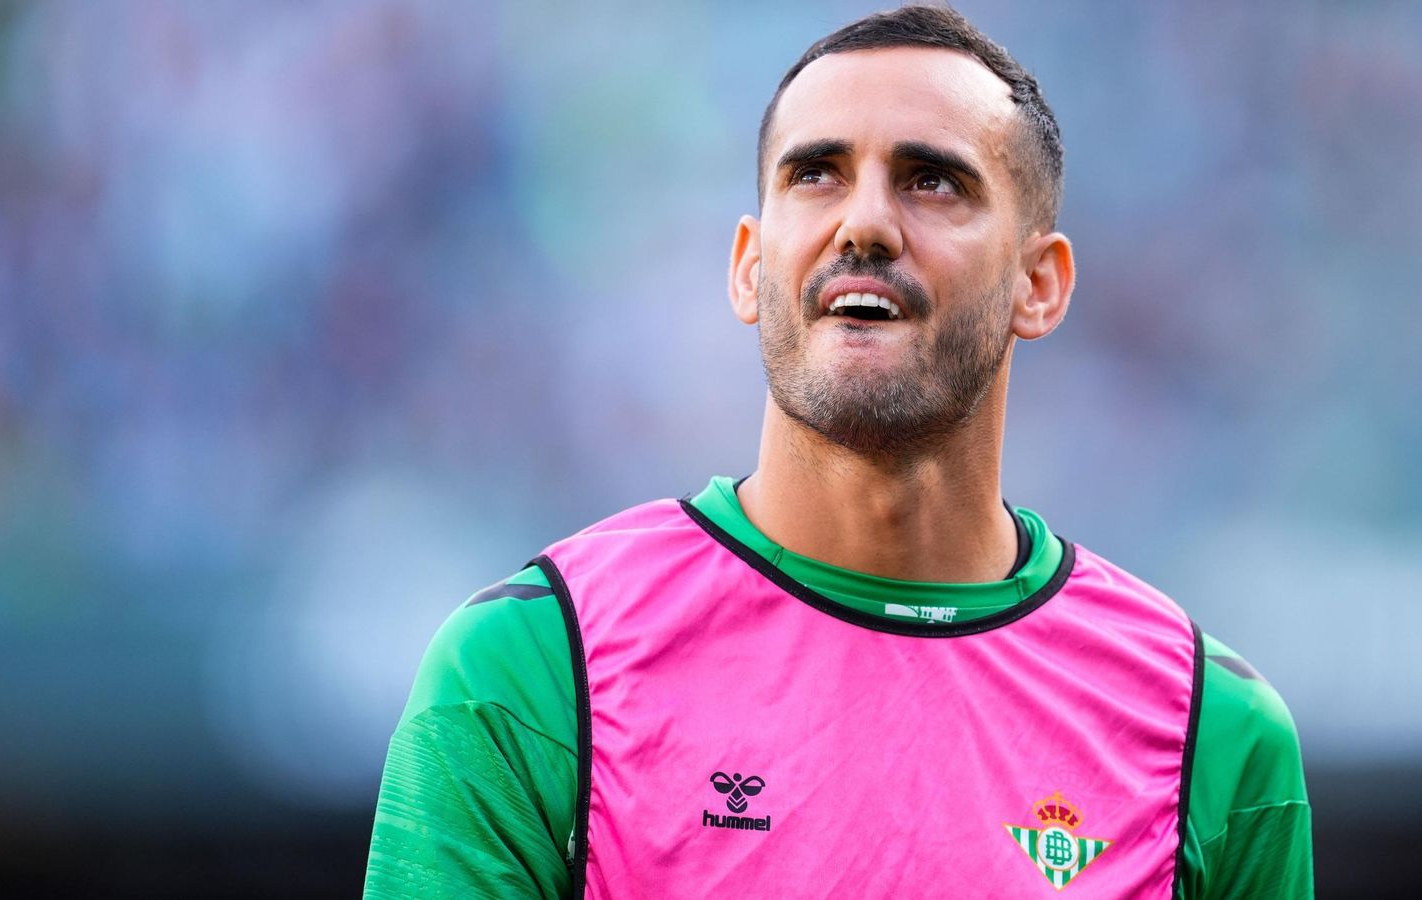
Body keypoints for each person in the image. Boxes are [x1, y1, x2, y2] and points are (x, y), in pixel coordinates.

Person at [363, 6, 1312, 898]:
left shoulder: (1210, 734)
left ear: (1040, 282)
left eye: (931, 179)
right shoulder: (528, 673)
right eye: (815, 173)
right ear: (749, 266)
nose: (862, 222)